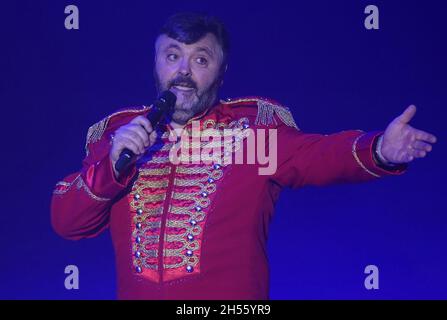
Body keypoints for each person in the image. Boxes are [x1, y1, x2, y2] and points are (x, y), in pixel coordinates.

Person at [51, 12, 437, 300]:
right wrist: (109, 167)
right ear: (155, 63)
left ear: (220, 73)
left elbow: (317, 156)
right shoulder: (119, 137)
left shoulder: (252, 135)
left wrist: (379, 150)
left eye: (200, 60)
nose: (183, 71)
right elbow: (68, 223)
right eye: (172, 56)